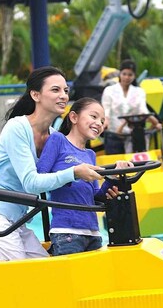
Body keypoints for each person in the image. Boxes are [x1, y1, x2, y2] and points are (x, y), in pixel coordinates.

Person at [0, 66, 103, 262]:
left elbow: (59, 181)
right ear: (35, 95)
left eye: (66, 90)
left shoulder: (54, 137)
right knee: (22, 276)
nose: (63, 96)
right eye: (55, 90)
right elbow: (31, 183)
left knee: (47, 272)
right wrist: (74, 172)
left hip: (18, 220)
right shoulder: (17, 127)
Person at [36, 98, 133, 256]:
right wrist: (73, 173)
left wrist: (113, 177)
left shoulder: (90, 154)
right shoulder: (58, 140)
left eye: (102, 121)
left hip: (93, 233)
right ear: (74, 117)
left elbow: (96, 195)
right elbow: (40, 176)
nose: (99, 123)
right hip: (66, 232)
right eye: (94, 117)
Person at [101, 59, 162, 154]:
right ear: (120, 74)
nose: (126, 77)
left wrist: (155, 122)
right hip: (114, 135)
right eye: (124, 74)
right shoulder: (109, 90)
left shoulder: (139, 92)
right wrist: (104, 123)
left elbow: (143, 110)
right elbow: (106, 112)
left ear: (134, 76)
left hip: (132, 136)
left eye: (130, 75)